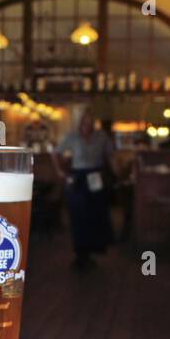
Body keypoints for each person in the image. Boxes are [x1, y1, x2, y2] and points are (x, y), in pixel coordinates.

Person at [53, 107, 117, 268]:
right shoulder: (72, 137)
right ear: (80, 122)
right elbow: (56, 152)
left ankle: (90, 251)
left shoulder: (101, 137)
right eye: (85, 121)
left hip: (96, 177)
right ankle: (79, 252)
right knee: (78, 214)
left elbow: (111, 156)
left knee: (96, 214)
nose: (88, 125)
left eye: (91, 121)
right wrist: (61, 172)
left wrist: (118, 173)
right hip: (78, 177)